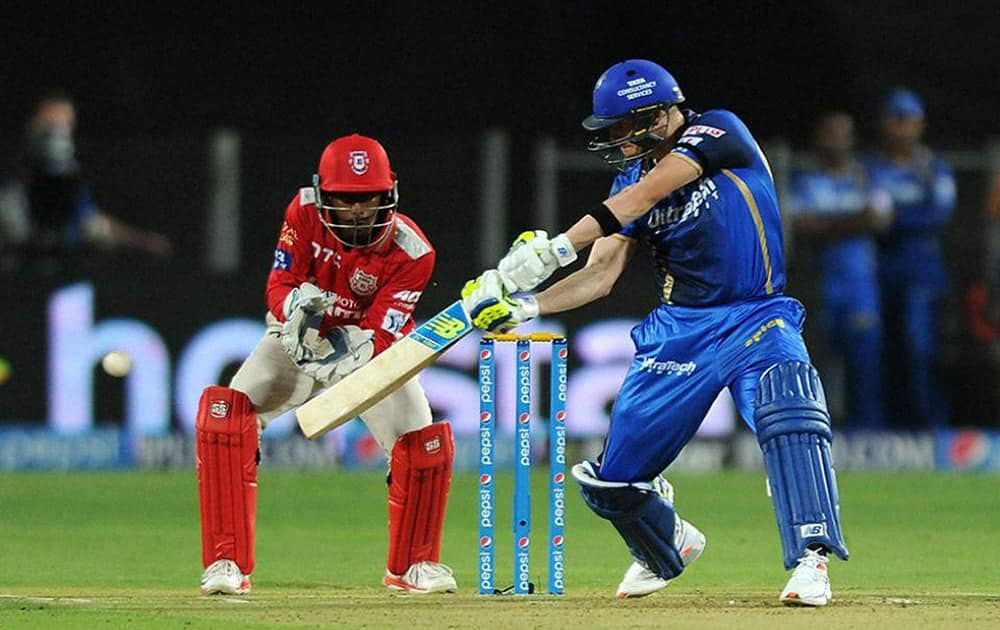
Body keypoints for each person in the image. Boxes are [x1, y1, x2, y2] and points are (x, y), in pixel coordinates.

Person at [462, 59, 848, 606]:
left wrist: (555, 248)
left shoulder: (718, 131)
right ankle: (666, 543)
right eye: (612, 130)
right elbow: (599, 276)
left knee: (789, 414)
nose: (618, 141)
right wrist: (527, 305)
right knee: (611, 481)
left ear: (661, 113)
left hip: (756, 315)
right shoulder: (627, 179)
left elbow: (644, 197)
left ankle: (812, 559)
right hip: (679, 332)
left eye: (625, 126)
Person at [196, 134, 457, 596]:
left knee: (421, 445)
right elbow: (279, 283)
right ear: (323, 194)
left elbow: (385, 334)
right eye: (345, 198)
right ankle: (225, 562)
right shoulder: (302, 212)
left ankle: (414, 565)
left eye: (368, 198)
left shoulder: (413, 251)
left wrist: (356, 356)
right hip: (298, 339)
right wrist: (293, 308)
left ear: (389, 192)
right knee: (226, 416)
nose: (357, 210)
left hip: (368, 352)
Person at [788, 112, 892, 429]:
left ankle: (868, 435)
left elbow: (880, 219)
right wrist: (854, 220)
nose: (835, 141)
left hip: (859, 286)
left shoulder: (866, 176)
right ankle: (821, 432)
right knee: (817, 364)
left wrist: (828, 223)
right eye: (829, 134)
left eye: (841, 134)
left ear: (851, 139)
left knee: (865, 365)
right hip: (819, 285)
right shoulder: (805, 179)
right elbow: (802, 225)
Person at [864, 88, 955, 429]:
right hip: (880, 269)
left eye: (908, 120)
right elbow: (866, 214)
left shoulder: (932, 168)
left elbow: (938, 215)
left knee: (921, 349)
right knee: (881, 351)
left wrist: (894, 219)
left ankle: (930, 427)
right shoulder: (871, 167)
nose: (901, 128)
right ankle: (888, 430)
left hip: (921, 270)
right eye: (895, 120)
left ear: (919, 125)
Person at [0, 93, 172, 273]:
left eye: (65, 128)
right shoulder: (9, 189)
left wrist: (142, 241)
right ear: (30, 127)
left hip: (61, 282)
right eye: (50, 128)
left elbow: (92, 223)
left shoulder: (69, 187)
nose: (58, 138)